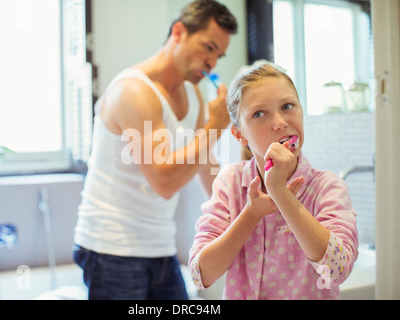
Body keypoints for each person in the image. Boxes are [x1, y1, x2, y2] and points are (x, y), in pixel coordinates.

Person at [73, 0, 238, 300]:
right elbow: (163, 182)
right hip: (112, 249)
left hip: (160, 247)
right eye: (208, 47)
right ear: (179, 32)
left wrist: (243, 209)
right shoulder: (133, 91)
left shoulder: (193, 95)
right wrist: (214, 125)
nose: (212, 62)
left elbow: (205, 165)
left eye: (219, 54)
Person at [188, 62, 359, 300]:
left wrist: (281, 192)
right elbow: (200, 275)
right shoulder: (230, 182)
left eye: (287, 106)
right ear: (240, 135)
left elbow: (336, 270)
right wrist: (250, 214)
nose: (280, 122)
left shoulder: (326, 187)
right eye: (259, 113)